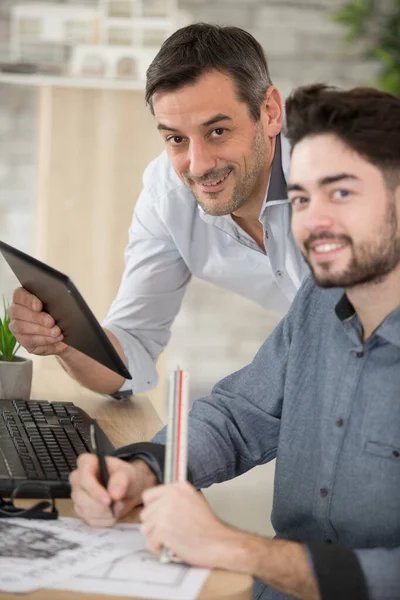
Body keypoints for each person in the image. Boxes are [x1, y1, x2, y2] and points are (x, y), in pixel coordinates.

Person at [69, 84, 400, 600]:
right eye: (301, 197)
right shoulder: (317, 301)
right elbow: (238, 416)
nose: (314, 222)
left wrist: (232, 546)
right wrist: (140, 470)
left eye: (341, 192)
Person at [7, 24, 308, 399]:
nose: (198, 166)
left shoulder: (333, 178)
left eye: (217, 131)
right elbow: (130, 350)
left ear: (269, 112)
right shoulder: (168, 195)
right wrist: (64, 341)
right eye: (176, 139)